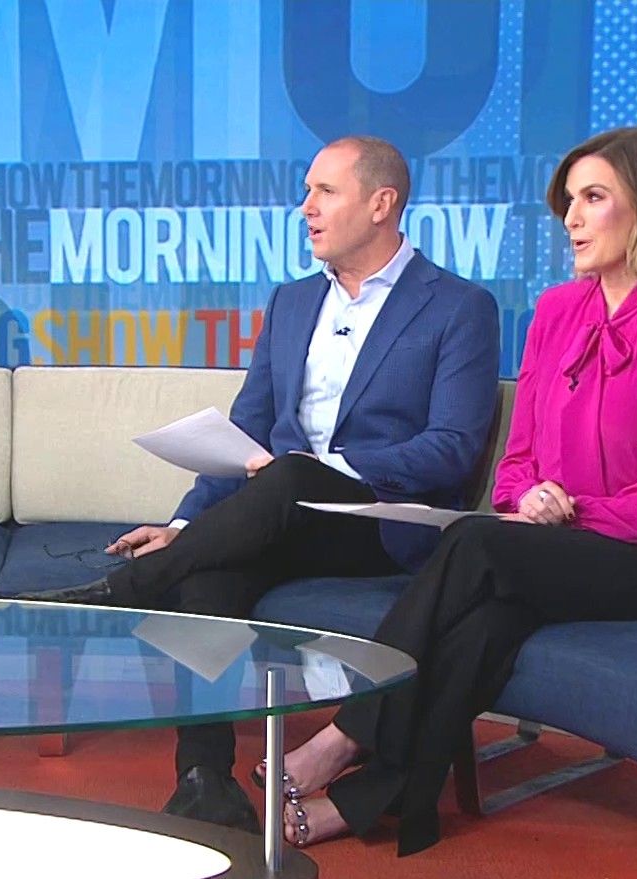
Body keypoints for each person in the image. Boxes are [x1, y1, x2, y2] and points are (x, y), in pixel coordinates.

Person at [269, 125, 637, 854]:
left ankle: (348, 732)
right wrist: (526, 499)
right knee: (484, 621)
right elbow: (518, 458)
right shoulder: (557, 312)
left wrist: (564, 513)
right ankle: (385, 802)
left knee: (475, 545)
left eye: (593, 198)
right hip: (558, 539)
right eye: (569, 202)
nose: (572, 218)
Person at [25, 136, 500, 832]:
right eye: (306, 192)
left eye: (325, 192)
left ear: (381, 204)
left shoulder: (458, 307)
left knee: (293, 474)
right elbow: (246, 435)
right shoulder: (293, 302)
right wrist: (185, 526)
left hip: (380, 525)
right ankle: (205, 781)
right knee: (207, 573)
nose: (305, 208)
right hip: (282, 515)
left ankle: (122, 589)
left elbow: (452, 449)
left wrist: (325, 472)